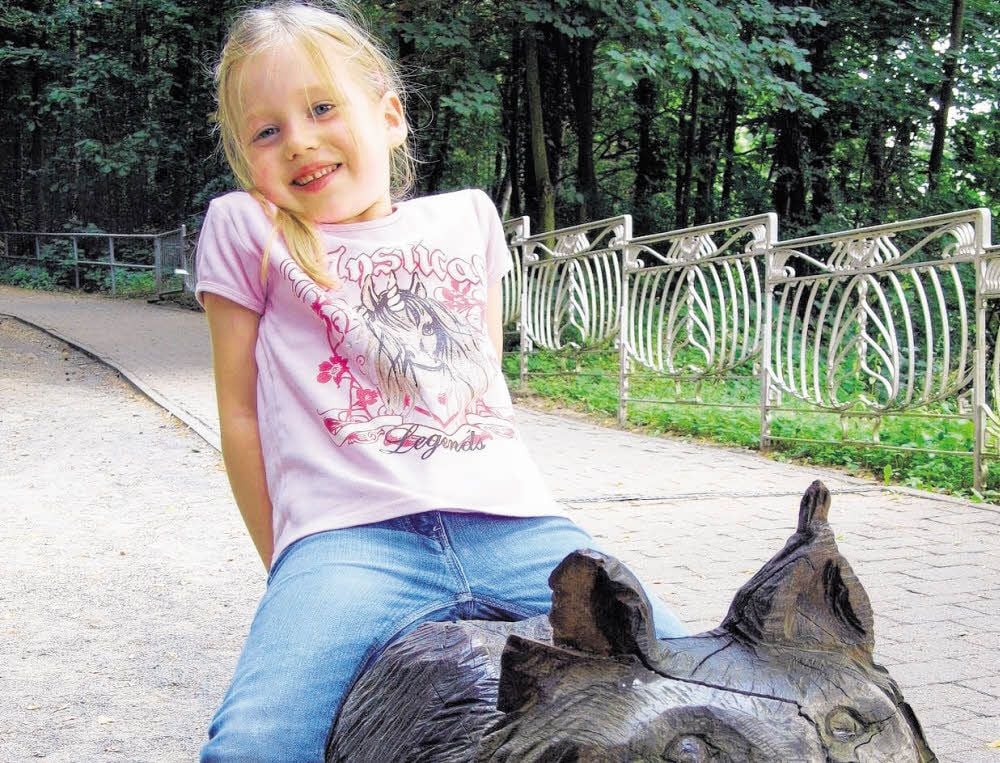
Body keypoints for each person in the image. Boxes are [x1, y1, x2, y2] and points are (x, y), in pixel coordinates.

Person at [195, 2, 687, 759]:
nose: (300, 139)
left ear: (390, 117)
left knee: (690, 672)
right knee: (254, 741)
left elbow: (482, 379)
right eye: (267, 130)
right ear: (246, 160)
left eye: (323, 106)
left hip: (519, 527)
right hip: (348, 544)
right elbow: (238, 414)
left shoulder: (468, 217)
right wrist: (287, 564)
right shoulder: (247, 231)